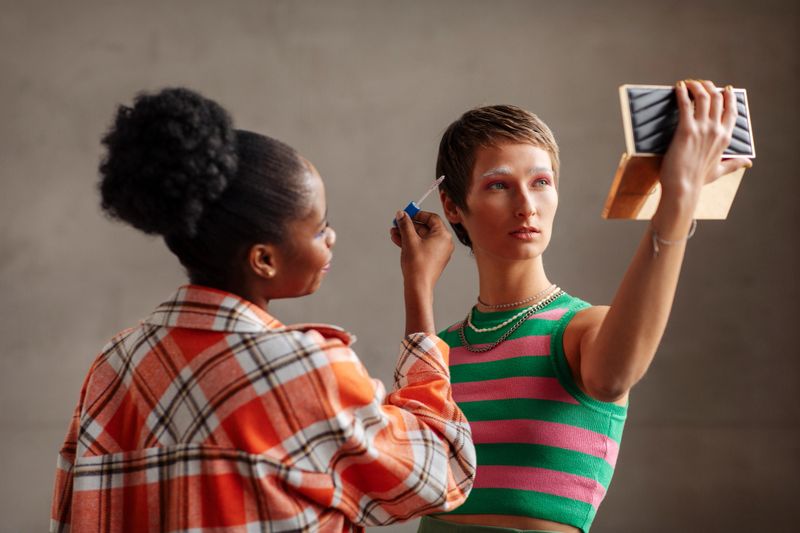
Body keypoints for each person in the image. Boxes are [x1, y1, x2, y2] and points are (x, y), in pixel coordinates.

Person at [50, 87, 475, 532]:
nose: (331, 238)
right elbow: (440, 468)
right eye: (319, 228)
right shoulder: (301, 371)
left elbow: (73, 515)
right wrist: (420, 288)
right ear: (263, 260)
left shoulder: (113, 366)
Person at [402, 80, 752, 533]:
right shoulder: (440, 347)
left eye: (541, 182)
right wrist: (418, 284)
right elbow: (410, 475)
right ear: (452, 205)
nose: (527, 205)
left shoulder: (582, 329)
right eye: (499, 185)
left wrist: (679, 196)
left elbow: (611, 379)